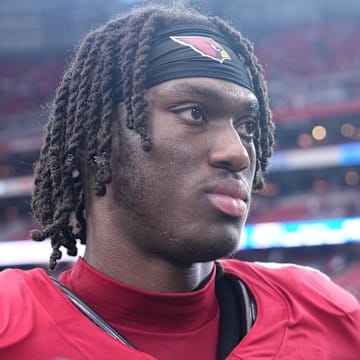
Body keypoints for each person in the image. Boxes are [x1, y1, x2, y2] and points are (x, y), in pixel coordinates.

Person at [0, 3, 359, 359]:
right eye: (194, 113)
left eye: (247, 127)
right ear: (96, 140)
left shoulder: (328, 317)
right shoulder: (11, 327)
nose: (239, 154)